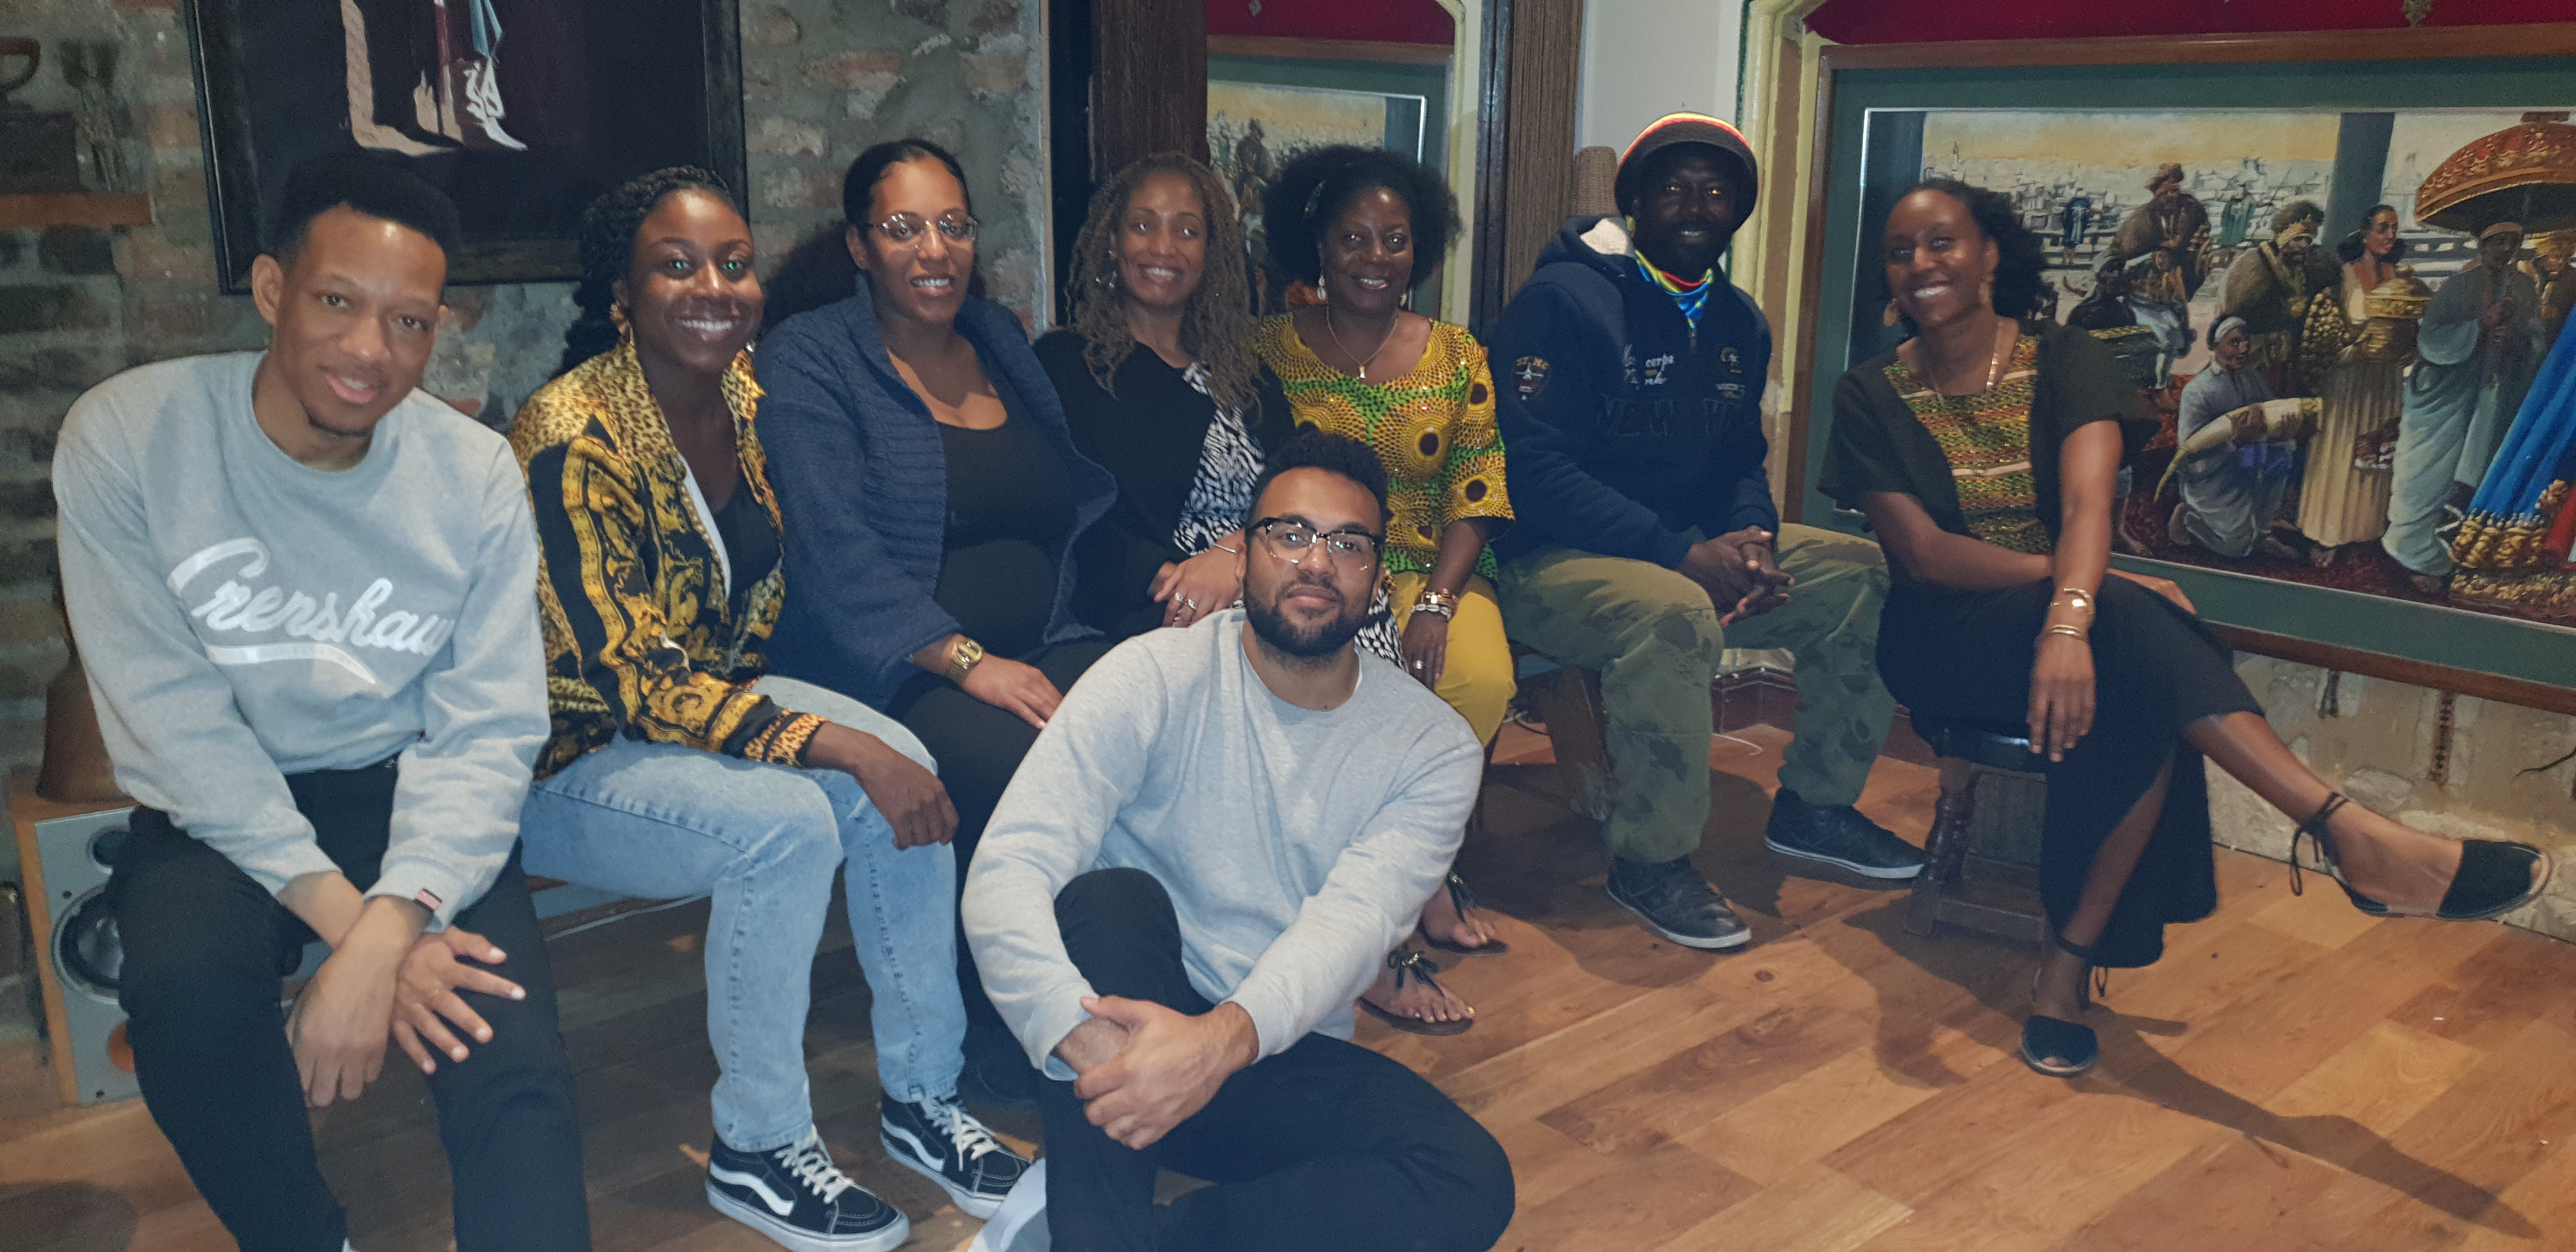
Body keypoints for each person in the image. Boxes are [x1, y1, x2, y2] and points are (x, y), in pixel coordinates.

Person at [1820, 178, 2552, 1080]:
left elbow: (2090, 506)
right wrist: (2081, 598)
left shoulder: (2067, 358)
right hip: (1945, 641)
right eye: (1901, 251)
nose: (1922, 263)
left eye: (1943, 242)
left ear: (1991, 254)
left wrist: (2071, 621)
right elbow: (1925, 556)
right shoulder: (1869, 392)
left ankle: (2068, 971)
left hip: (2078, 625)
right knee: (2141, 620)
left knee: (2139, 682)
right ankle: (2346, 834)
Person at [55, 156, 590, 1251]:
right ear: (272, 290)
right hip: (218, 802)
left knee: (509, 1061)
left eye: (408, 322)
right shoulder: (130, 437)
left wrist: (396, 921)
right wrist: (365, 940)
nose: (368, 351)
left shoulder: (474, 474)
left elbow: (488, 728)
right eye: (338, 302)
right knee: (187, 1005)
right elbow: (175, 725)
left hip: (406, 791)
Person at [508, 169, 1031, 1252]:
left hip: (711, 709)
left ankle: (924, 1097)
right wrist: (828, 746)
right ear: (622, 295)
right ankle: (757, 1144)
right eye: (678, 265)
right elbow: (633, 678)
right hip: (571, 755)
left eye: (733, 264)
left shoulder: (748, 400)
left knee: (903, 754)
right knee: (789, 823)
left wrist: (865, 732)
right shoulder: (570, 435)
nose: (715, 286)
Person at [958, 431, 1517, 1252]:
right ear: (1245, 551)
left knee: (1469, 1177)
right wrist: (1091, 1044)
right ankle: (1094, 1231)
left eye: (1348, 544)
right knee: (1110, 899)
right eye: (1290, 534)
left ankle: (1119, 1237)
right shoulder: (1150, 674)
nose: (1316, 562)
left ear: (1376, 574)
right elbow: (1009, 864)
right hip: (1117, 1032)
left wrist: (1215, 1046)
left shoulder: (1433, 749)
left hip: (1267, 1042)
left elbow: (1353, 926)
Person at [1485, 112, 1919, 952]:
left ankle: (1817, 808)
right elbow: (1531, 474)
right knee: (1674, 611)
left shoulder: (1738, 321)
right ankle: (1651, 860)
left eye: (1716, 192)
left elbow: (1739, 459)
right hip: (1549, 559)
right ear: (1637, 202)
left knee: (1863, 574)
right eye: (1673, 189)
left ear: (1737, 211)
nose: (1694, 207)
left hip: (1687, 547)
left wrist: (1752, 537)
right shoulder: (1562, 301)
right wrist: (1683, 556)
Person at [755, 139, 1121, 1097]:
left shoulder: (997, 336)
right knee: (1022, 768)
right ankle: (1009, 1024)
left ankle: (1139, 980)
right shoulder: (812, 357)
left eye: (953, 225)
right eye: (904, 227)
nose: (934, 249)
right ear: (859, 246)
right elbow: (832, 554)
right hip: (891, 669)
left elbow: (1062, 496)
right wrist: (969, 662)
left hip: (1046, 638)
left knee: (1155, 731)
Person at [1249, 144, 1517, 1032]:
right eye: (1353, 238)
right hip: (1315, 564)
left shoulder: (1457, 353)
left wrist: (1436, 603)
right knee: (1344, 696)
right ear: (1318, 248)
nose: (1375, 257)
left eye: (1394, 240)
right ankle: (1397, 892)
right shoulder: (1266, 349)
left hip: (1428, 564)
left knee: (1477, 680)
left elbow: (1477, 492)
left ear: (1419, 249)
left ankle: (1420, 861)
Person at [1039, 152, 1292, 643]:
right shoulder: (1066, 365)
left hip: (1269, 581)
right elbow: (1066, 509)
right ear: (1113, 242)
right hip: (1150, 608)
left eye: (1187, 231)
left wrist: (1237, 554)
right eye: (1142, 226)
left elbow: (1300, 485)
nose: (1163, 247)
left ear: (1210, 251)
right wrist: (1177, 582)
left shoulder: (1250, 376)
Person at [2383, 221, 2547, 586]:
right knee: (2427, 474)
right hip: (2448, 395)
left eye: (2512, 243)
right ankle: (2411, 551)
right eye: (2498, 242)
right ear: (2482, 245)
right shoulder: (2458, 286)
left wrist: (2518, 340)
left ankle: (2460, 557)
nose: (2504, 249)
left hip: (2495, 397)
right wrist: (2480, 326)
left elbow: (2537, 337)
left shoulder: (2522, 287)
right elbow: (2431, 340)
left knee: (2478, 473)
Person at [2292, 205, 2419, 563]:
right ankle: (2328, 532)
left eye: (2394, 229)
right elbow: (2326, 337)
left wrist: (2407, 345)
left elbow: (2409, 329)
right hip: (2348, 379)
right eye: (2382, 228)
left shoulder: (2400, 277)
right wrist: (2357, 350)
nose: (2389, 236)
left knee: (2377, 448)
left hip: (2385, 379)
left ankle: (2369, 527)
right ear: (2365, 234)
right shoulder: (2344, 278)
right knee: (2342, 448)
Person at [2168, 318, 2298, 560]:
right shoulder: (2197, 391)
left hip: (2248, 464)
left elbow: (2271, 414)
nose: (2244, 349)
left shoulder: (2251, 378)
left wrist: (2281, 431)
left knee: (2283, 451)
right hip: (2213, 477)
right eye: (2235, 343)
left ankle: (2263, 533)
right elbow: (2189, 457)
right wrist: (2233, 444)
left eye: (2245, 342)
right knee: (2236, 549)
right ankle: (2189, 517)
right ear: (2216, 345)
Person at [2215, 201, 2336, 396]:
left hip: (2290, 363)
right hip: (2256, 360)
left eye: (2308, 240)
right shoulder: (2254, 265)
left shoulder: (2305, 268)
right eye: (2298, 239)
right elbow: (2235, 316)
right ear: (2281, 237)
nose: (2304, 246)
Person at [2111, 164, 2211, 300]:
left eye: (2174, 191)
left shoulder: (2190, 206)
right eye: (2164, 193)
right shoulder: (2147, 213)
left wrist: (2169, 245)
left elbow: (2181, 240)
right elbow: (2130, 246)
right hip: (2155, 262)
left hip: (2187, 262)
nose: (2171, 196)